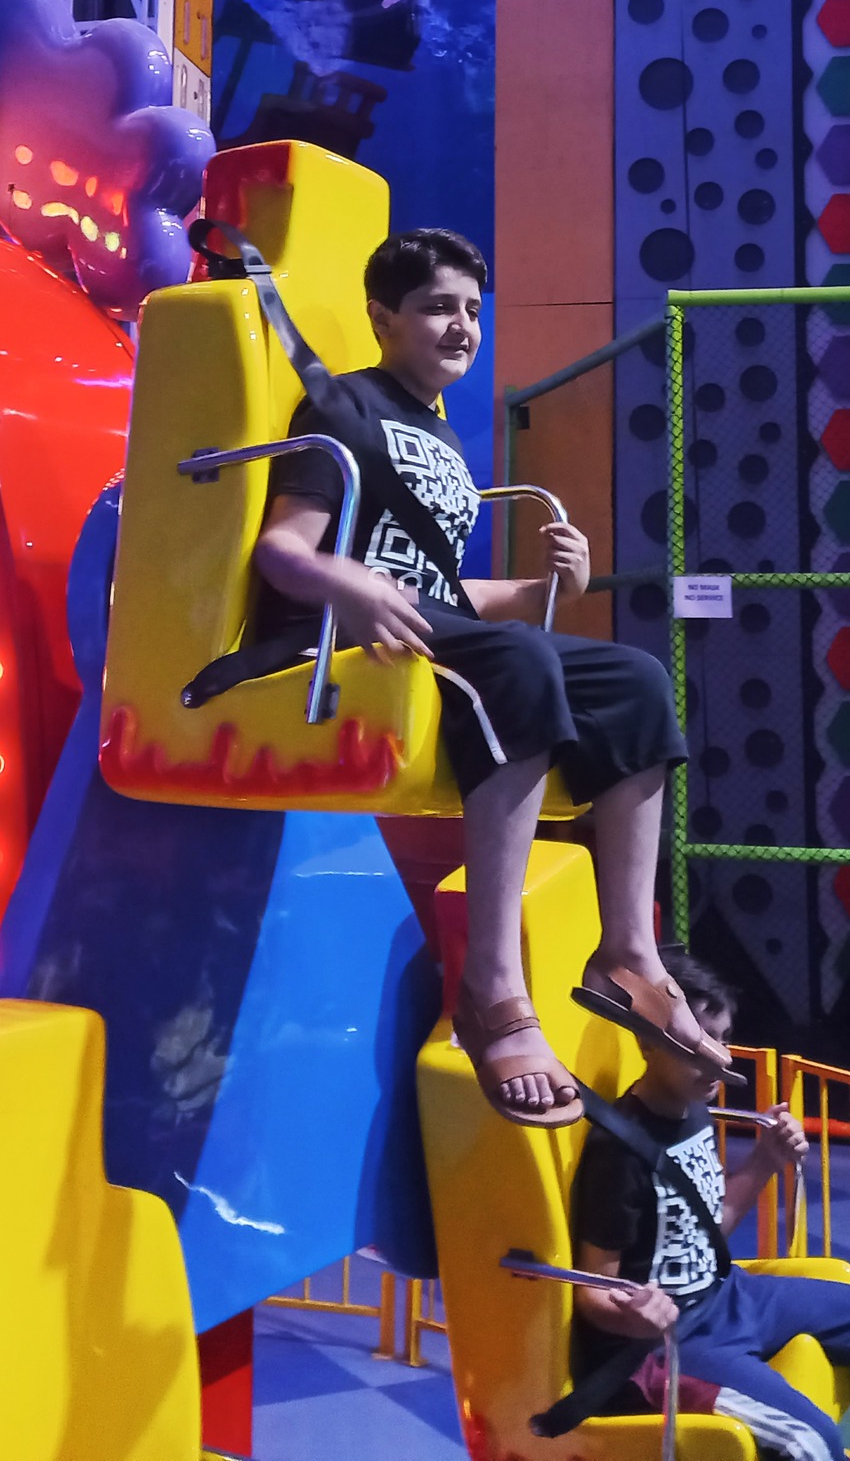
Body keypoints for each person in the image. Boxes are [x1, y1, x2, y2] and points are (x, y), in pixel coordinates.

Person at [254, 226, 728, 1127]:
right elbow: (283, 550)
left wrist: (543, 589)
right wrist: (348, 582)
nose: (462, 326)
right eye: (437, 307)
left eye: (473, 309)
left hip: (429, 624)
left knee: (632, 680)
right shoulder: (342, 409)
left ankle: (628, 953)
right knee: (516, 658)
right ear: (382, 318)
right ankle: (490, 985)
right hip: (338, 635)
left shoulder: (438, 433)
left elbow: (444, 592)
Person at [569, 953, 850, 1461]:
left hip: (725, 1296)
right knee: (810, 1441)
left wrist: (765, 1160)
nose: (719, 1058)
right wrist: (635, 1317)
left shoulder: (694, 1110)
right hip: (661, 1346)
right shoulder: (619, 1151)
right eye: (695, 1043)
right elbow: (591, 1292)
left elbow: (706, 1232)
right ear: (646, 1042)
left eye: (724, 1038)